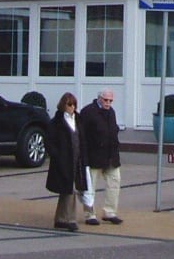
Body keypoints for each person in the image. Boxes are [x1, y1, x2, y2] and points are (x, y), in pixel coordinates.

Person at [78, 87, 123, 225]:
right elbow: (82, 135)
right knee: (90, 187)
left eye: (111, 100)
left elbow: (113, 130)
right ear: (99, 98)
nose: (108, 103)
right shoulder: (88, 112)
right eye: (106, 100)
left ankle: (110, 212)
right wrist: (84, 157)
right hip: (94, 156)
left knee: (114, 182)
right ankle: (89, 214)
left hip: (111, 156)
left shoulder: (111, 112)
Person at [44, 92, 86, 231]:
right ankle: (70, 219)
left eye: (74, 104)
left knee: (68, 189)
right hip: (63, 161)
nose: (72, 107)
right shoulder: (56, 122)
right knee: (69, 189)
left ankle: (61, 218)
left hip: (77, 159)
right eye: (69, 104)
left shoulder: (78, 120)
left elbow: (81, 138)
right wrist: (56, 155)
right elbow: (48, 141)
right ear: (63, 105)